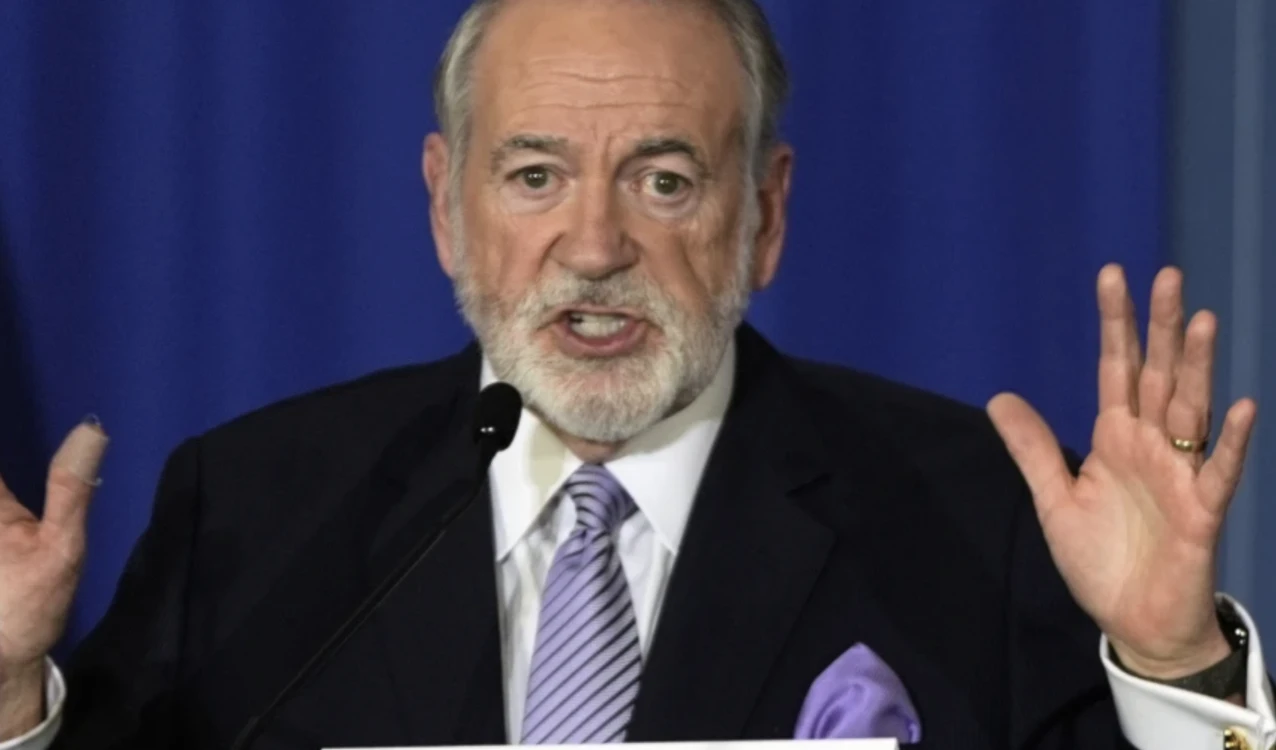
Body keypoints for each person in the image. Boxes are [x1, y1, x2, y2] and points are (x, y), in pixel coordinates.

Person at [0, 0, 1271, 748]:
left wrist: (1170, 669)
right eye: (534, 175)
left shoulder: (972, 517)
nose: (596, 247)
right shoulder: (255, 508)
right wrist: (8, 696)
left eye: (664, 180)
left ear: (763, 216)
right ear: (448, 209)